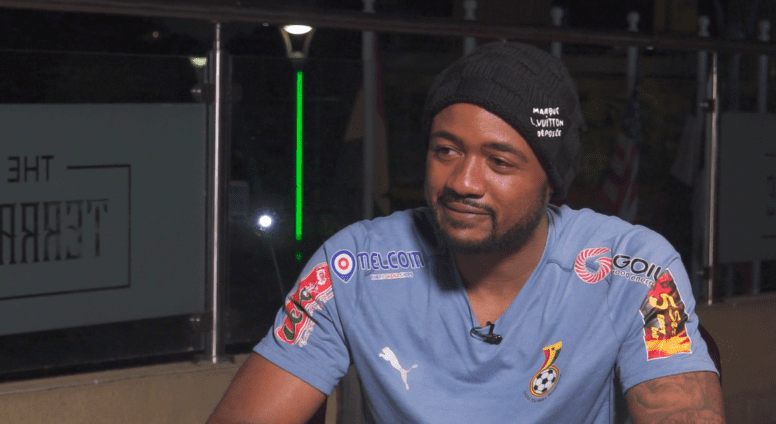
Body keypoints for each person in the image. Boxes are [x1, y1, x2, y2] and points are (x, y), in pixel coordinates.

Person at [207, 41, 725, 424]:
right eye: (446, 150)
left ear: (551, 181)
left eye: (499, 161)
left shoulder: (633, 268)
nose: (463, 182)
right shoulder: (352, 266)